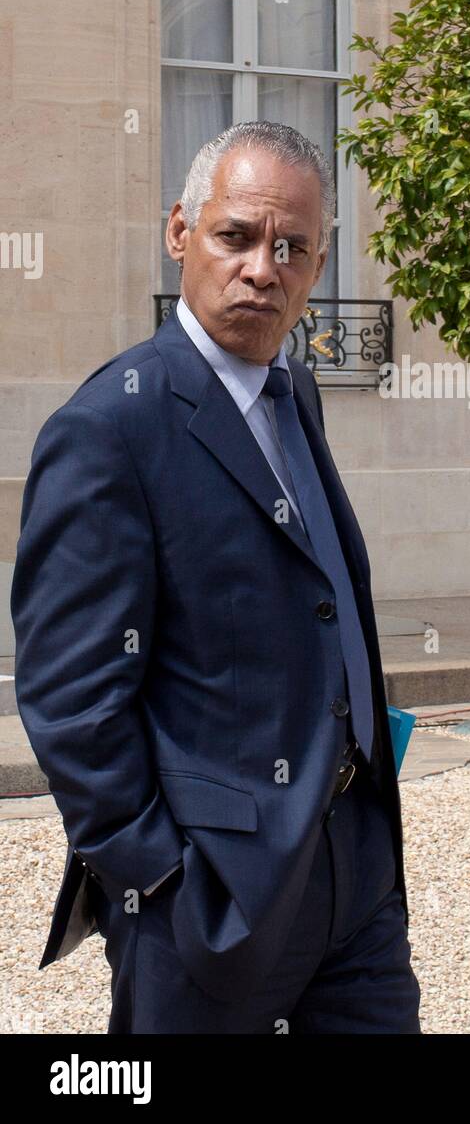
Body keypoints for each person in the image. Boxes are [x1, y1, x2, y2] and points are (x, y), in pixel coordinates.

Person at [12, 120, 422, 1033]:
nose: (261, 269)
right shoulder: (110, 428)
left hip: (355, 882)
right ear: (179, 234)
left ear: (319, 266)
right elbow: (70, 697)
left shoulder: (294, 392)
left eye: (292, 249)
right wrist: (162, 880)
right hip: (213, 902)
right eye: (235, 236)